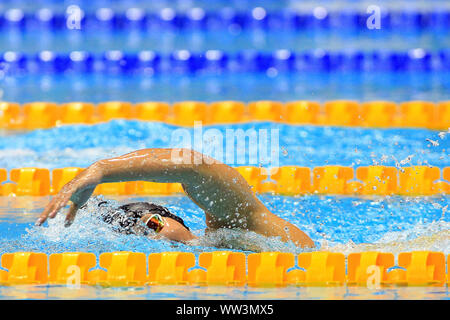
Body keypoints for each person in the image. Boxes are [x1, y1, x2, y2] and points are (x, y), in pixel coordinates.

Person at [36, 148, 315, 248]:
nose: (157, 232)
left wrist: (101, 170)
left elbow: (192, 164)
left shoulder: (235, 217)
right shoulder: (219, 235)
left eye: (152, 225)